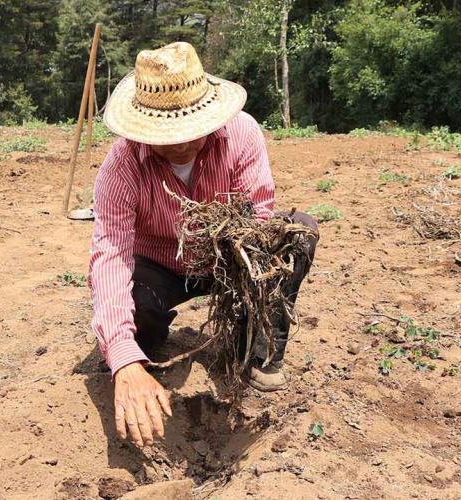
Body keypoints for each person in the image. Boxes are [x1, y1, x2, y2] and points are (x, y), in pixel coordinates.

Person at [89, 42, 318, 448]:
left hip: (227, 263)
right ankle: (143, 344)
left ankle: (258, 348)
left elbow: (256, 223)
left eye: (191, 129)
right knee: (136, 324)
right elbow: (110, 255)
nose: (182, 143)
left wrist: (245, 284)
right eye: (169, 134)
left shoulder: (241, 134)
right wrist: (124, 362)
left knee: (296, 232)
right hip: (160, 266)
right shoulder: (122, 166)